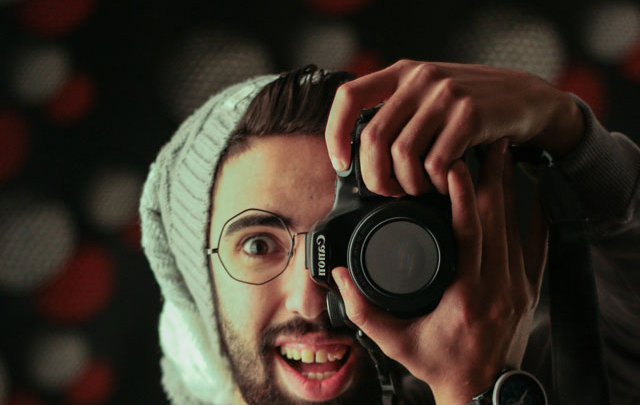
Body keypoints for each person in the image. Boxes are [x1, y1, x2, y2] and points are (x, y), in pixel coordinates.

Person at [139, 60, 640, 404]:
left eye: (349, 239)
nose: (311, 301)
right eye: (258, 244)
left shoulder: (541, 371)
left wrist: (568, 130)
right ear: (199, 280)